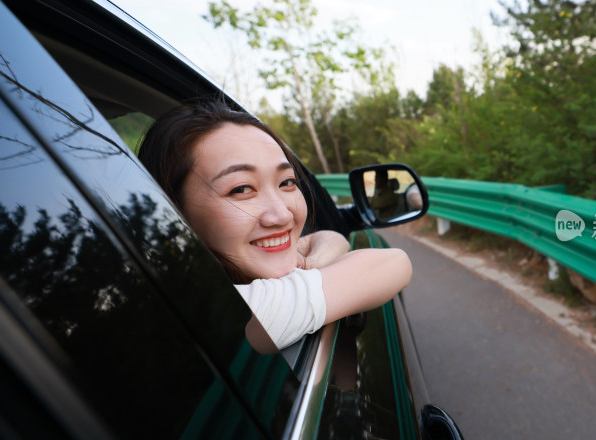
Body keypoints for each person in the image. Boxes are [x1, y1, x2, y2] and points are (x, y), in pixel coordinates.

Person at [138, 100, 411, 353]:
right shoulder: (230, 311)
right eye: (241, 188)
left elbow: (329, 237)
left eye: (287, 182)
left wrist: (306, 261)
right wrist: (307, 265)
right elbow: (394, 263)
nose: (281, 215)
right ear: (173, 211)